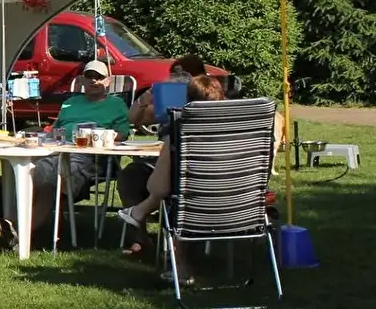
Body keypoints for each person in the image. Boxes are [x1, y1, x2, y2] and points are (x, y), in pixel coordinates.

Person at [116, 75, 285, 274]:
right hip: (244, 203)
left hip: (195, 205)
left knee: (179, 196)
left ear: (187, 100)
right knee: (151, 181)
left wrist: (150, 200)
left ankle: (181, 268)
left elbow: (157, 188)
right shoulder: (248, 130)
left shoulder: (181, 133)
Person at [0, 59, 131, 250]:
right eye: (89, 76)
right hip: (56, 150)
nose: (94, 81)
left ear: (108, 81)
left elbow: (122, 134)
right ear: (82, 80)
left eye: (99, 77)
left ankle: (8, 230)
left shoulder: (116, 104)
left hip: (89, 156)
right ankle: (9, 231)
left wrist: (99, 136)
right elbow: (55, 130)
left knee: (42, 179)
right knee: (31, 175)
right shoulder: (71, 103)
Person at [117, 54, 206, 218]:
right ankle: (138, 229)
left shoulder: (209, 100)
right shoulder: (170, 100)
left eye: (184, 75)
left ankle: (144, 214)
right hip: (164, 162)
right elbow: (134, 118)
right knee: (131, 175)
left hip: (195, 165)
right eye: (175, 74)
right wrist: (146, 97)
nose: (178, 79)